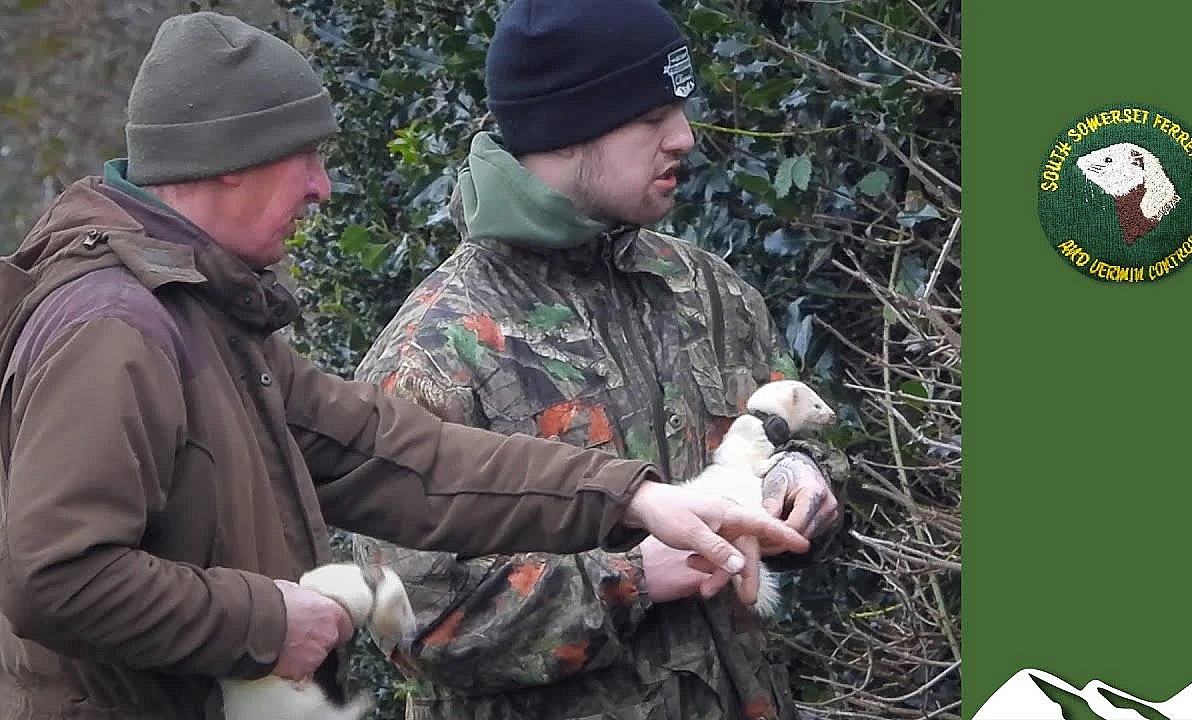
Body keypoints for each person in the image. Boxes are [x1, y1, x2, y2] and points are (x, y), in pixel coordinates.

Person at [0, 12, 812, 720]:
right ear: (229, 162)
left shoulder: (206, 318)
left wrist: (634, 497)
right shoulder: (116, 326)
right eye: (304, 159)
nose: (322, 188)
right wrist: (268, 622)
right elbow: (55, 577)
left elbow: (397, 454)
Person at [350, 1, 850, 718]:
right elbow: (412, 622)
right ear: (567, 126)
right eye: (651, 118)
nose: (684, 137)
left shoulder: (704, 288)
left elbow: (801, 439)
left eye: (679, 108)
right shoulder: (435, 353)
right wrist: (636, 577)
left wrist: (805, 481)